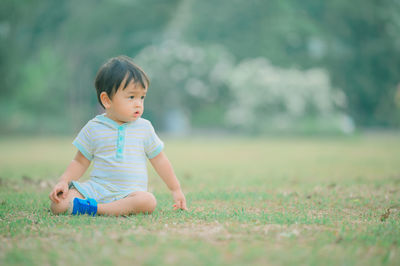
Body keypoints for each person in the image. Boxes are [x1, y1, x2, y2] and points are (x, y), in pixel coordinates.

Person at [49, 55, 187, 216]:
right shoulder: (94, 127)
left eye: (142, 97)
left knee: (148, 201)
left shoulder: (144, 127)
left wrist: (175, 189)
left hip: (129, 194)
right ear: (107, 100)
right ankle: (94, 206)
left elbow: (160, 160)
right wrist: (63, 182)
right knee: (58, 204)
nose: (138, 103)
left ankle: (95, 209)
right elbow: (79, 161)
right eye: (131, 97)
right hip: (96, 189)